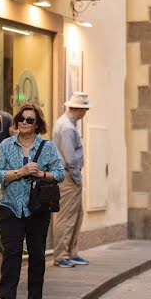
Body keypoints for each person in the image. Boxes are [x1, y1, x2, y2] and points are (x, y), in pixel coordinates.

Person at [0, 104, 65, 299]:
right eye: (22, 118)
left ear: (37, 125)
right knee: (12, 253)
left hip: (37, 209)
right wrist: (20, 172)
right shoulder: (6, 145)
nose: (24, 122)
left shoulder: (47, 147)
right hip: (10, 206)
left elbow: (60, 174)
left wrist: (41, 174)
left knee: (37, 255)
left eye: (30, 120)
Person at [51, 92, 91, 268]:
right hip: (68, 176)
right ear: (81, 110)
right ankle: (61, 255)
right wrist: (77, 178)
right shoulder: (67, 127)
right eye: (85, 109)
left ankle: (71, 252)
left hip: (69, 175)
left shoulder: (67, 124)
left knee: (76, 214)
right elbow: (70, 157)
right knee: (66, 216)